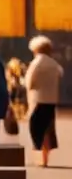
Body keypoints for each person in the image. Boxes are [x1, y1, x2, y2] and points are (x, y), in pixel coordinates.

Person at [26, 35, 64, 167]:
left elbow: (29, 83)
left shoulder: (36, 63)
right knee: (48, 130)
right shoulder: (54, 64)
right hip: (51, 100)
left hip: (37, 100)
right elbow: (60, 74)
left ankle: (40, 158)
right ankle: (45, 159)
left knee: (36, 129)